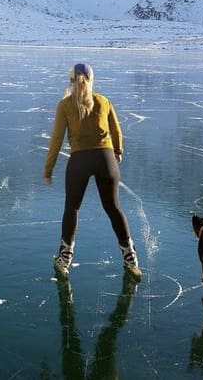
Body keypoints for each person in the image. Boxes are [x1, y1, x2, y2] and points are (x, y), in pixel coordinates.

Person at [44, 63, 141, 281]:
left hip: (79, 160)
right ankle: (130, 257)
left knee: (72, 208)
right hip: (105, 159)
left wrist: (48, 168)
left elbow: (57, 139)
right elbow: (116, 129)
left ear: (71, 81)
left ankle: (65, 257)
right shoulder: (103, 101)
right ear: (91, 79)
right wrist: (117, 151)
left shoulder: (65, 105)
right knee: (113, 207)